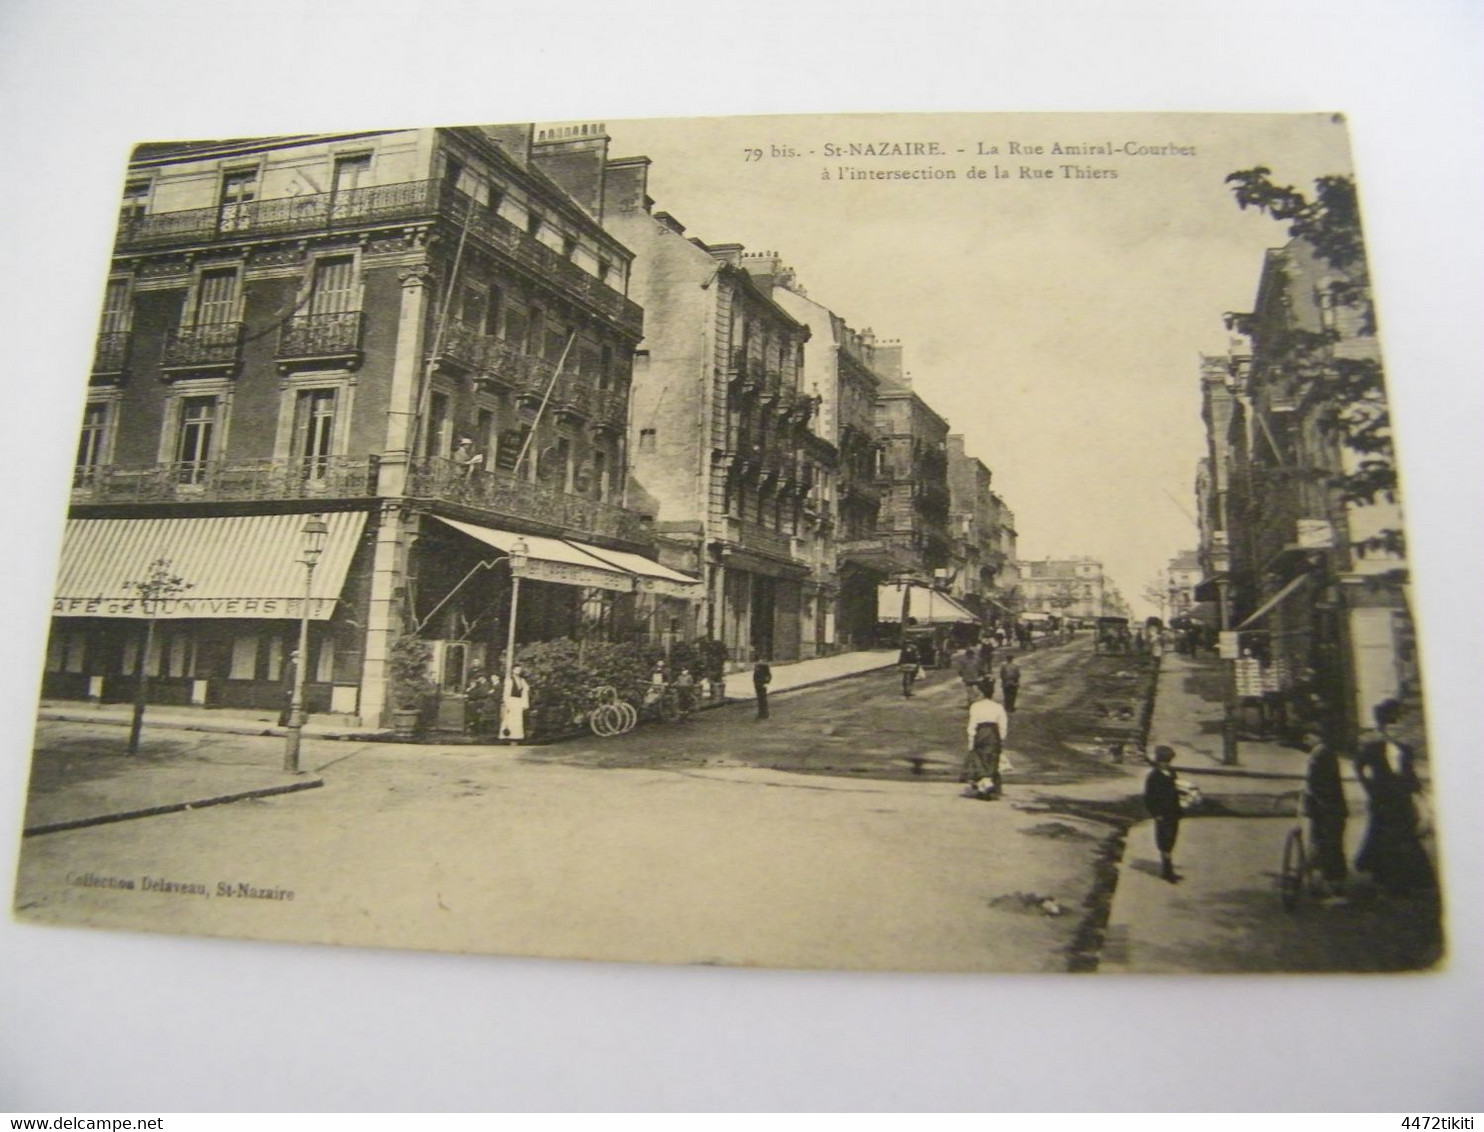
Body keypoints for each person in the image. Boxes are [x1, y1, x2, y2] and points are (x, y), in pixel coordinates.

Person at [1354, 699, 1434, 896]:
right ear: (1382, 726)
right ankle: (1389, 879)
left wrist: (1420, 792)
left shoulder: (1406, 750)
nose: (1392, 729)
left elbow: (1409, 774)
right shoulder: (1373, 748)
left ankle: (1408, 879)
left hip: (1402, 798)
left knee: (1405, 836)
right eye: (1389, 725)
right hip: (1382, 799)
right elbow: (1358, 767)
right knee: (1386, 838)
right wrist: (1369, 787)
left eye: (1396, 725)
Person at [1301, 728, 1349, 896]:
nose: (1305, 741)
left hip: (1329, 808)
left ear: (1317, 737)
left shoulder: (1322, 754)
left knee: (1331, 846)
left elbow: (1323, 784)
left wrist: (1314, 798)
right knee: (1324, 845)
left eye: (1307, 736)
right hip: (1324, 809)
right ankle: (1326, 883)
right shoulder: (1321, 753)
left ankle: (1336, 888)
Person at [1143, 745, 1184, 883]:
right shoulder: (1154, 777)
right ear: (1158, 761)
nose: (1165, 765)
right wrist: (1156, 814)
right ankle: (1167, 872)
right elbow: (1149, 798)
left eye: (1168, 762)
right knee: (1164, 841)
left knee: (1172, 838)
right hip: (1162, 813)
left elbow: (1176, 790)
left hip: (1173, 812)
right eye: (1163, 762)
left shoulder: (1172, 773)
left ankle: (1168, 869)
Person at [962, 691, 1011, 800]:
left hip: (981, 733)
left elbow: (972, 724)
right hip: (994, 733)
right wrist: (1001, 737)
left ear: (982, 694)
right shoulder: (998, 707)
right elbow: (1003, 724)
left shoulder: (976, 706)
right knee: (992, 758)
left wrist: (971, 738)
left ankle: (984, 785)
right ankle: (987, 784)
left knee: (979, 758)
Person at [464, 664, 497, 737]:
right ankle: (472, 726)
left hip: (485, 703)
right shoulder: (479, 685)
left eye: (478, 678)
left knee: (473, 707)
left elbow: (484, 694)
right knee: (470, 707)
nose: (477, 679)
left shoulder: (486, 684)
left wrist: (473, 695)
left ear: (482, 678)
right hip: (480, 702)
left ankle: (474, 727)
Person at [499, 664, 530, 742]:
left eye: (519, 670)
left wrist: (524, 702)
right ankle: (506, 735)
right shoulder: (510, 680)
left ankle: (516, 736)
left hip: (518, 701)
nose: (518, 671)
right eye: (516, 670)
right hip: (511, 700)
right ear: (513, 670)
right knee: (509, 718)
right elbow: (506, 692)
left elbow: (525, 689)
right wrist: (506, 702)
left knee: (517, 719)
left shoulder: (521, 680)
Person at [277, 649, 299, 727]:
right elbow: (288, 678)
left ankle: (284, 721)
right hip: (288, 689)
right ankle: (284, 721)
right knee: (286, 705)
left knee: (288, 705)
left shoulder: (294, 665)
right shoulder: (291, 665)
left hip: (291, 689)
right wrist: (289, 689)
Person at [752, 653, 772, 720]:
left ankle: (765, 714)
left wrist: (766, 682)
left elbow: (769, 676)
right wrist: (755, 683)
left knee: (763, 700)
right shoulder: (757, 666)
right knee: (760, 699)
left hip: (762, 684)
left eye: (761, 659)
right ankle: (761, 713)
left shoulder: (765, 666)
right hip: (757, 684)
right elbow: (755, 676)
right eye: (759, 659)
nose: (760, 661)